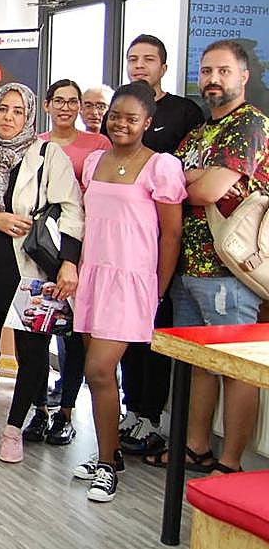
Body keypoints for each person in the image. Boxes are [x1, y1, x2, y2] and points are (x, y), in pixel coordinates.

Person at [0, 83, 84, 462]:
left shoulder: (47, 155)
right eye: (3, 109)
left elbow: (71, 210)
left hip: (31, 268)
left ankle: (13, 429)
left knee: (32, 352)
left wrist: (70, 261)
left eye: (18, 111)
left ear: (29, 116)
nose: (8, 117)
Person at [71, 83, 186, 501]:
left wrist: (157, 289)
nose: (120, 123)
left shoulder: (161, 167)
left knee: (99, 370)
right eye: (115, 115)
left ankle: (106, 467)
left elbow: (171, 234)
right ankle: (110, 453)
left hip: (133, 280)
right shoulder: (95, 161)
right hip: (93, 277)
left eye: (131, 118)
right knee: (99, 373)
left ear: (147, 123)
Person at [160, 40, 269, 474]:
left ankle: (230, 463)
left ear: (243, 76)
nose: (213, 80)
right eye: (206, 71)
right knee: (199, 367)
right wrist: (192, 179)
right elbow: (165, 184)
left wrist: (188, 180)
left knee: (236, 369)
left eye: (223, 71)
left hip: (229, 269)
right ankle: (196, 448)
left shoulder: (251, 125)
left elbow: (203, 190)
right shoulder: (201, 131)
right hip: (189, 266)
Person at [115, 34, 206, 456]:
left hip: (160, 248)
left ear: (163, 67)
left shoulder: (183, 112)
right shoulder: (119, 113)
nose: (139, 65)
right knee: (126, 338)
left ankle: (153, 416)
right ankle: (131, 410)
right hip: (119, 250)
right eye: (133, 59)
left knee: (155, 336)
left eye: (148, 59)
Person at [25, 79, 111, 445]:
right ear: (46, 105)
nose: (65, 107)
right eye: (58, 100)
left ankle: (66, 412)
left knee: (74, 336)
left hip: (81, 251)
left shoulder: (99, 144)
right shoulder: (34, 146)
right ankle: (39, 410)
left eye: (72, 101)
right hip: (38, 250)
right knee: (36, 332)